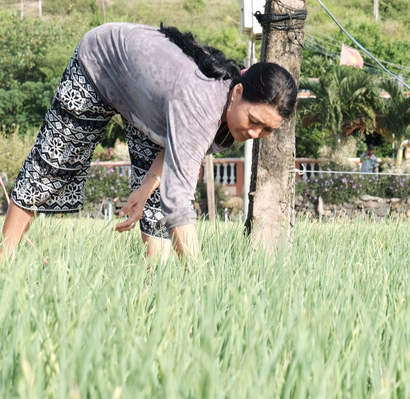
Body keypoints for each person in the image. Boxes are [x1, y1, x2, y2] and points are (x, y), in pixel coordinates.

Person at [0, 22, 297, 262]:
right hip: (101, 63)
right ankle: (5, 257)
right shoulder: (201, 102)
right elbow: (178, 200)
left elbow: (175, 149)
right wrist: (200, 278)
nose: (256, 133)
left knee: (155, 200)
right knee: (54, 163)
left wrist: (144, 189)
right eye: (254, 120)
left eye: (268, 129)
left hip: (148, 103)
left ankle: (156, 282)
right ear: (237, 93)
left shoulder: (227, 117)